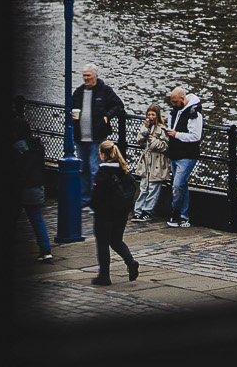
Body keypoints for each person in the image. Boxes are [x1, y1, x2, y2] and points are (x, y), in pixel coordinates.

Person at [69, 64, 127, 206]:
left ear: (95, 76)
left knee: (95, 168)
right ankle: (84, 198)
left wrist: (107, 116)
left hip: (97, 138)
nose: (86, 78)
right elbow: (70, 106)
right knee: (83, 169)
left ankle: (95, 199)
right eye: (84, 75)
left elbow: (118, 105)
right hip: (80, 137)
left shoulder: (104, 91)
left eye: (88, 75)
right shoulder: (78, 92)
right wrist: (71, 115)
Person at [89, 140, 139, 285]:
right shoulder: (124, 170)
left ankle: (104, 276)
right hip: (121, 213)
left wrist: (92, 204)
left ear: (103, 155)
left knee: (103, 244)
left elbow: (97, 196)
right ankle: (131, 262)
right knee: (116, 241)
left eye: (100, 153)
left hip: (105, 215)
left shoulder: (103, 173)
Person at [11, 99, 53, 259]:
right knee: (37, 220)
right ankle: (46, 250)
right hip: (37, 187)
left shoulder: (18, 148)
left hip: (22, 189)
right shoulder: (37, 147)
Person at [164, 86, 204, 228]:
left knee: (177, 185)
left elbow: (196, 136)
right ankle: (183, 216)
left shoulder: (194, 114)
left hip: (187, 155)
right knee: (182, 185)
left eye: (175, 102)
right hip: (175, 153)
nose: (173, 105)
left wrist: (176, 134)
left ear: (182, 99)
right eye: (172, 102)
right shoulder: (174, 112)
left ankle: (176, 214)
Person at [133, 103, 171, 221]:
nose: (150, 117)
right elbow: (139, 140)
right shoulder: (146, 126)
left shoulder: (162, 129)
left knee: (153, 188)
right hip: (147, 161)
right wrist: (145, 129)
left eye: (153, 114)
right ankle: (138, 211)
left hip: (157, 162)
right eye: (149, 114)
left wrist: (153, 140)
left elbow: (165, 146)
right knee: (143, 186)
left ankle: (148, 211)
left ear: (157, 115)